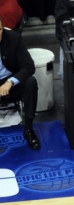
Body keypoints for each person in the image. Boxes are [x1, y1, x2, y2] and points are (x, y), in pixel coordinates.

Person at [0, 17, 40, 150]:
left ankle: (29, 129)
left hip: (9, 80)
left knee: (30, 82)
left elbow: (29, 66)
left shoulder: (13, 38)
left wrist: (10, 82)